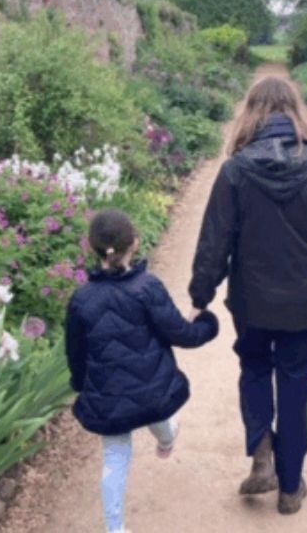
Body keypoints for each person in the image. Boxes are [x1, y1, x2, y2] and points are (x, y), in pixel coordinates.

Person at [188, 76, 307, 515]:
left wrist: (201, 293)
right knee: (295, 387)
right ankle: (290, 487)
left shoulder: (235, 171)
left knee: (254, 369)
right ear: (294, 112)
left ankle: (260, 448)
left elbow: (214, 241)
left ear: (250, 112)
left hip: (251, 303)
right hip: (306, 304)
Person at [66, 210, 219, 533]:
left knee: (115, 459)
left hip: (108, 397)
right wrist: (208, 325)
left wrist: (82, 385)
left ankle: (116, 529)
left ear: (92, 247)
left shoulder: (81, 300)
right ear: (134, 243)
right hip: (152, 390)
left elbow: (75, 352)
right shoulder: (147, 287)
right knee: (159, 415)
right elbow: (179, 333)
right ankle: (166, 441)